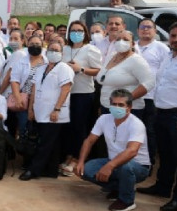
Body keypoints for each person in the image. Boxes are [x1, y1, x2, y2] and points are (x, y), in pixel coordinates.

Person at [138, 23, 177, 211]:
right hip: (161, 112)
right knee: (165, 155)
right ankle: (162, 187)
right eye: (173, 36)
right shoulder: (169, 56)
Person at [75, 89, 151, 211]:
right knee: (87, 170)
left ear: (129, 107)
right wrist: (80, 162)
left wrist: (109, 166)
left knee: (125, 167)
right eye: (114, 104)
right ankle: (120, 188)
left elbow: (132, 151)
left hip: (138, 166)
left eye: (121, 105)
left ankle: (127, 200)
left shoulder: (136, 124)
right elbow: (89, 141)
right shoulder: (104, 119)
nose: (117, 107)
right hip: (114, 162)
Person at [20, 42, 74, 181]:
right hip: (39, 111)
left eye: (57, 50)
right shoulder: (41, 68)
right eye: (51, 50)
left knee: (44, 143)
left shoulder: (64, 68)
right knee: (53, 143)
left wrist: (57, 109)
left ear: (61, 54)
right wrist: (31, 108)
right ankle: (51, 170)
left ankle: (34, 170)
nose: (53, 52)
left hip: (54, 112)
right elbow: (33, 89)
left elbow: (66, 89)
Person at [59, 20, 103, 176]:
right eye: (73, 30)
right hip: (65, 94)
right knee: (67, 126)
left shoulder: (91, 49)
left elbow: (98, 71)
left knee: (79, 127)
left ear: (85, 33)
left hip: (83, 93)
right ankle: (67, 154)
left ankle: (76, 158)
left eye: (79, 30)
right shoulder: (64, 49)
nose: (76, 33)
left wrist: (81, 69)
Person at [135, 18, 171, 166]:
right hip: (133, 96)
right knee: (134, 130)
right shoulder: (132, 46)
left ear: (155, 31)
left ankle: (147, 163)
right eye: (142, 27)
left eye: (149, 27)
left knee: (149, 131)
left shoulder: (162, 48)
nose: (145, 30)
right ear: (138, 31)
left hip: (151, 97)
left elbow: (166, 72)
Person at [96, 30, 154, 118]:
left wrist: (126, 99)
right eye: (118, 39)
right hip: (107, 107)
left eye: (125, 39)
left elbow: (149, 83)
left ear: (133, 44)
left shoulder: (136, 60)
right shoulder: (111, 56)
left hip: (127, 110)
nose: (121, 42)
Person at [8, 35, 46, 138]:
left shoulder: (47, 62)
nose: (35, 46)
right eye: (32, 44)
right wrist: (17, 97)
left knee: (40, 127)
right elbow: (14, 80)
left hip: (41, 100)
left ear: (42, 45)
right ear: (27, 45)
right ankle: (24, 147)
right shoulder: (21, 61)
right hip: (24, 100)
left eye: (37, 44)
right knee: (24, 125)